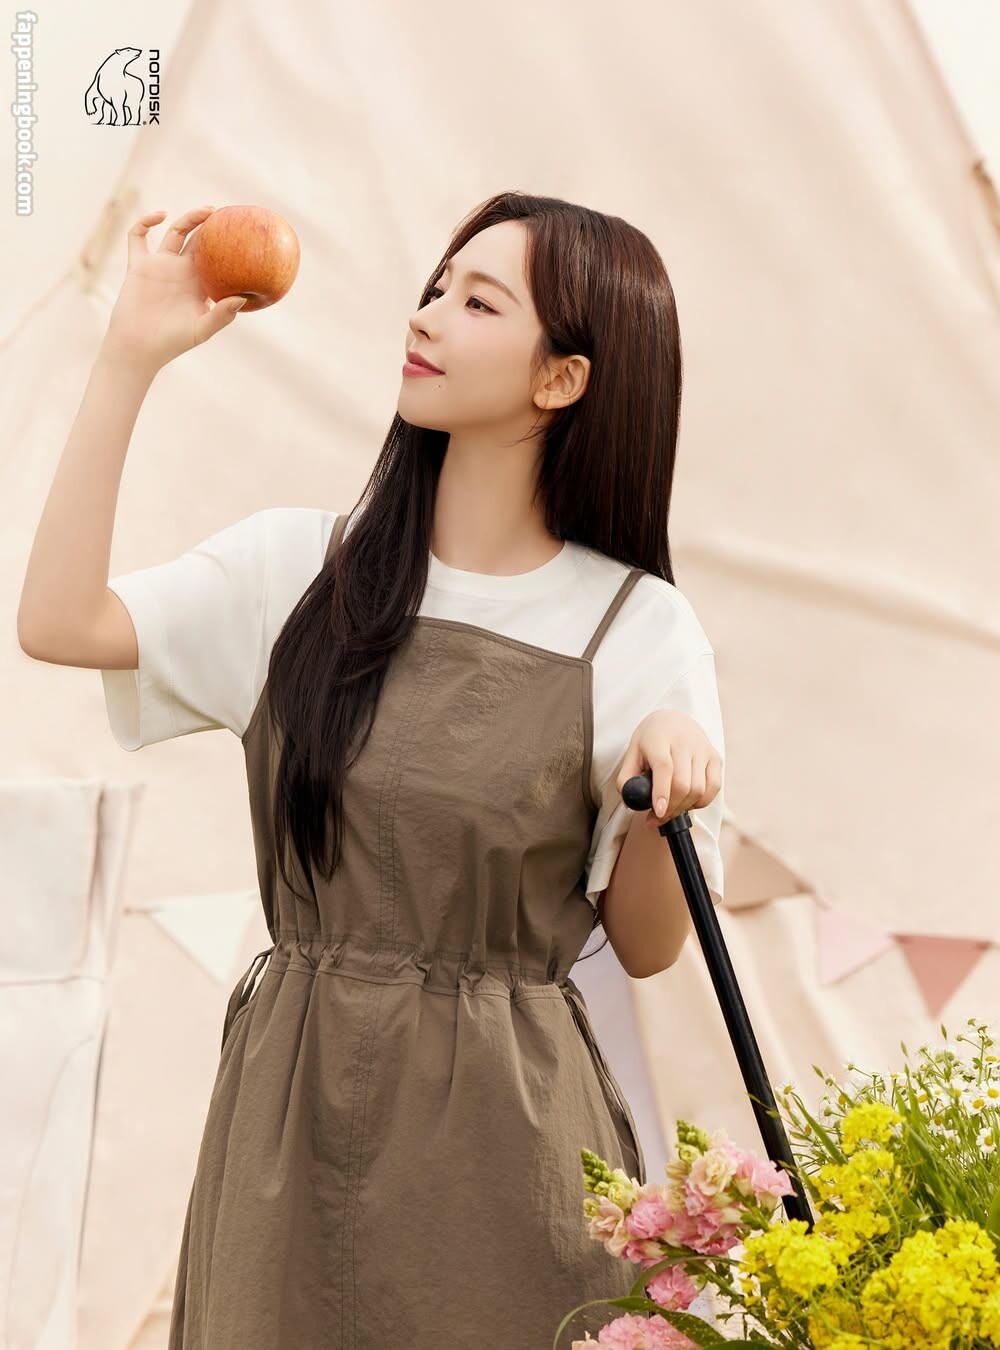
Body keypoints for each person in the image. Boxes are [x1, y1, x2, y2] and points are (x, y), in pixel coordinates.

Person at [18, 191, 727, 1347]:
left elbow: (646, 945)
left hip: (510, 1154)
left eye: (479, 302)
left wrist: (668, 797)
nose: (428, 315)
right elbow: (57, 621)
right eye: (437, 286)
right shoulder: (299, 570)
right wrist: (130, 354)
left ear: (562, 379)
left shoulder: (640, 628)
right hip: (290, 1125)